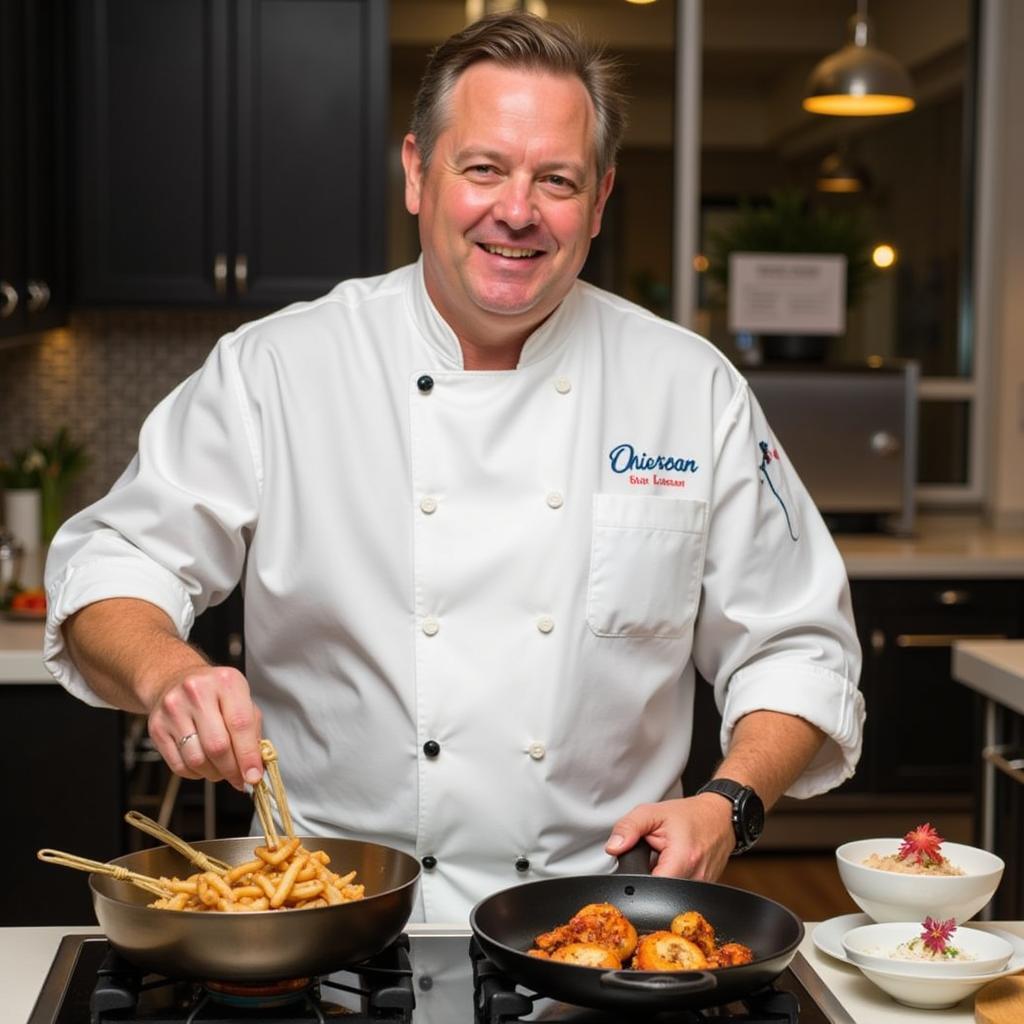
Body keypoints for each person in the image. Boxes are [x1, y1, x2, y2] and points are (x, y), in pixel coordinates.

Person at [44, 12, 863, 923]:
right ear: (416, 172)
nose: (517, 210)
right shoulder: (278, 368)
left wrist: (729, 802)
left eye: (557, 179)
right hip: (332, 922)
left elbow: (798, 646)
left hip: (601, 928)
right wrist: (166, 671)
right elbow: (112, 566)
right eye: (483, 168)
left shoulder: (689, 387)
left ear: (598, 203)